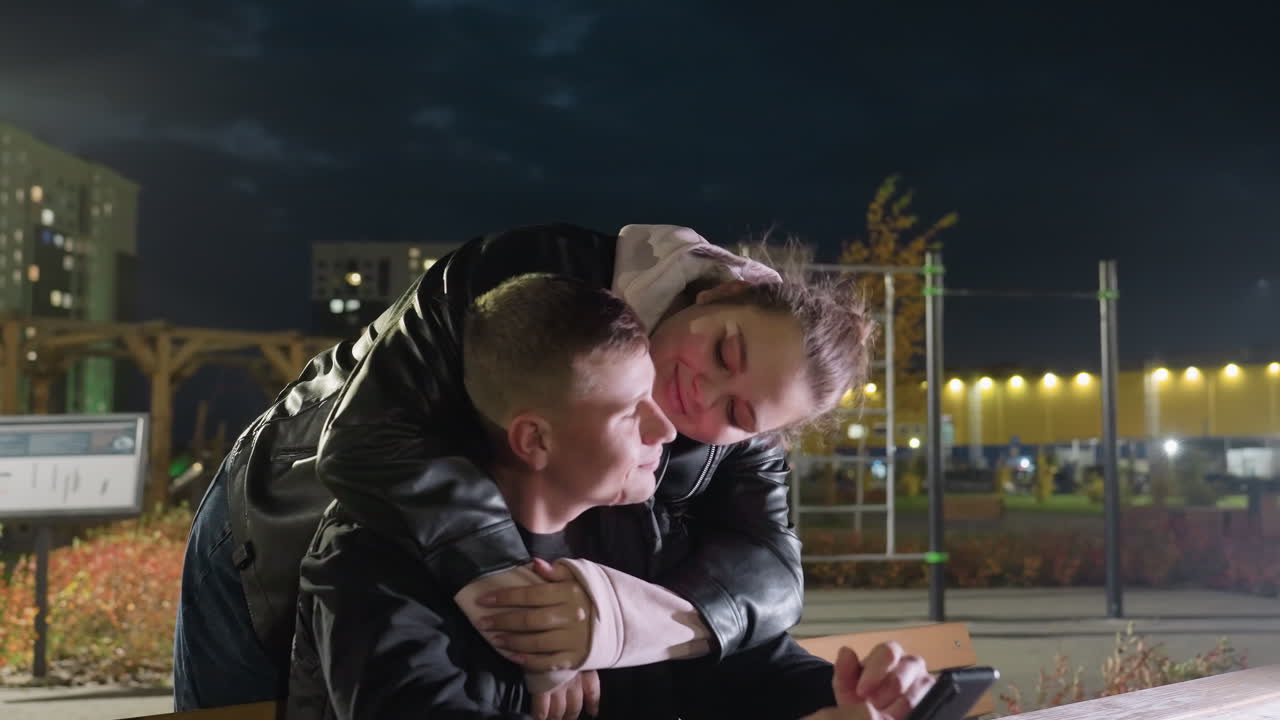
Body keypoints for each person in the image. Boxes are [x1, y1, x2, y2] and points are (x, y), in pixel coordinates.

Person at [173, 222, 875, 710]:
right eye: (724, 354)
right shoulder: (530, 284)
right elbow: (370, 440)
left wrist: (611, 621)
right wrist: (539, 631)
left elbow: (771, 574)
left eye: (743, 417)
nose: (704, 397)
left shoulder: (725, 427)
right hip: (279, 531)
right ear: (719, 290)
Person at [287, 274, 930, 719]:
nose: (669, 425)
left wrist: (850, 696)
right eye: (631, 410)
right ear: (534, 438)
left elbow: (742, 671)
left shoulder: (633, 534)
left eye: (736, 411)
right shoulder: (377, 558)